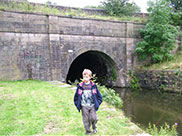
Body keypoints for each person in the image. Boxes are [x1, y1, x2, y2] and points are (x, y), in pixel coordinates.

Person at [74, 69, 103, 135]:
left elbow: (99, 96)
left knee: (94, 118)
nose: (85, 78)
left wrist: (97, 103)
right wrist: (77, 104)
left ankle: (94, 127)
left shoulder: (93, 86)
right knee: (86, 119)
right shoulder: (80, 86)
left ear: (90, 77)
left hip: (92, 105)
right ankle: (88, 131)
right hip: (84, 105)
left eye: (87, 77)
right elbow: (76, 96)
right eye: (84, 77)